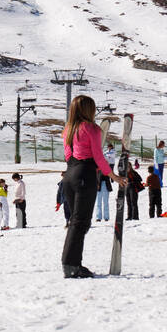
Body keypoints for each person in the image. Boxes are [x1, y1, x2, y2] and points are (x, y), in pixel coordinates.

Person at [61, 96, 126, 278]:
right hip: (84, 175)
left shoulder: (67, 129)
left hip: (69, 175)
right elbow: (98, 157)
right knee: (81, 223)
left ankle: (72, 263)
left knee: (76, 223)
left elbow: (68, 156)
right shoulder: (91, 128)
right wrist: (113, 176)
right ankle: (71, 265)